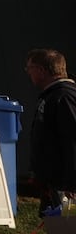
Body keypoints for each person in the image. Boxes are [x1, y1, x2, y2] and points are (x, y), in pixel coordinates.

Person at [25, 47, 76, 209]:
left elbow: (73, 139)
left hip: (66, 184)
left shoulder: (64, 96)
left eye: (29, 68)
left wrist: (72, 183)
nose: (28, 73)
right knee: (59, 229)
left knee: (68, 229)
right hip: (54, 182)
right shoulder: (52, 96)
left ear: (41, 70)